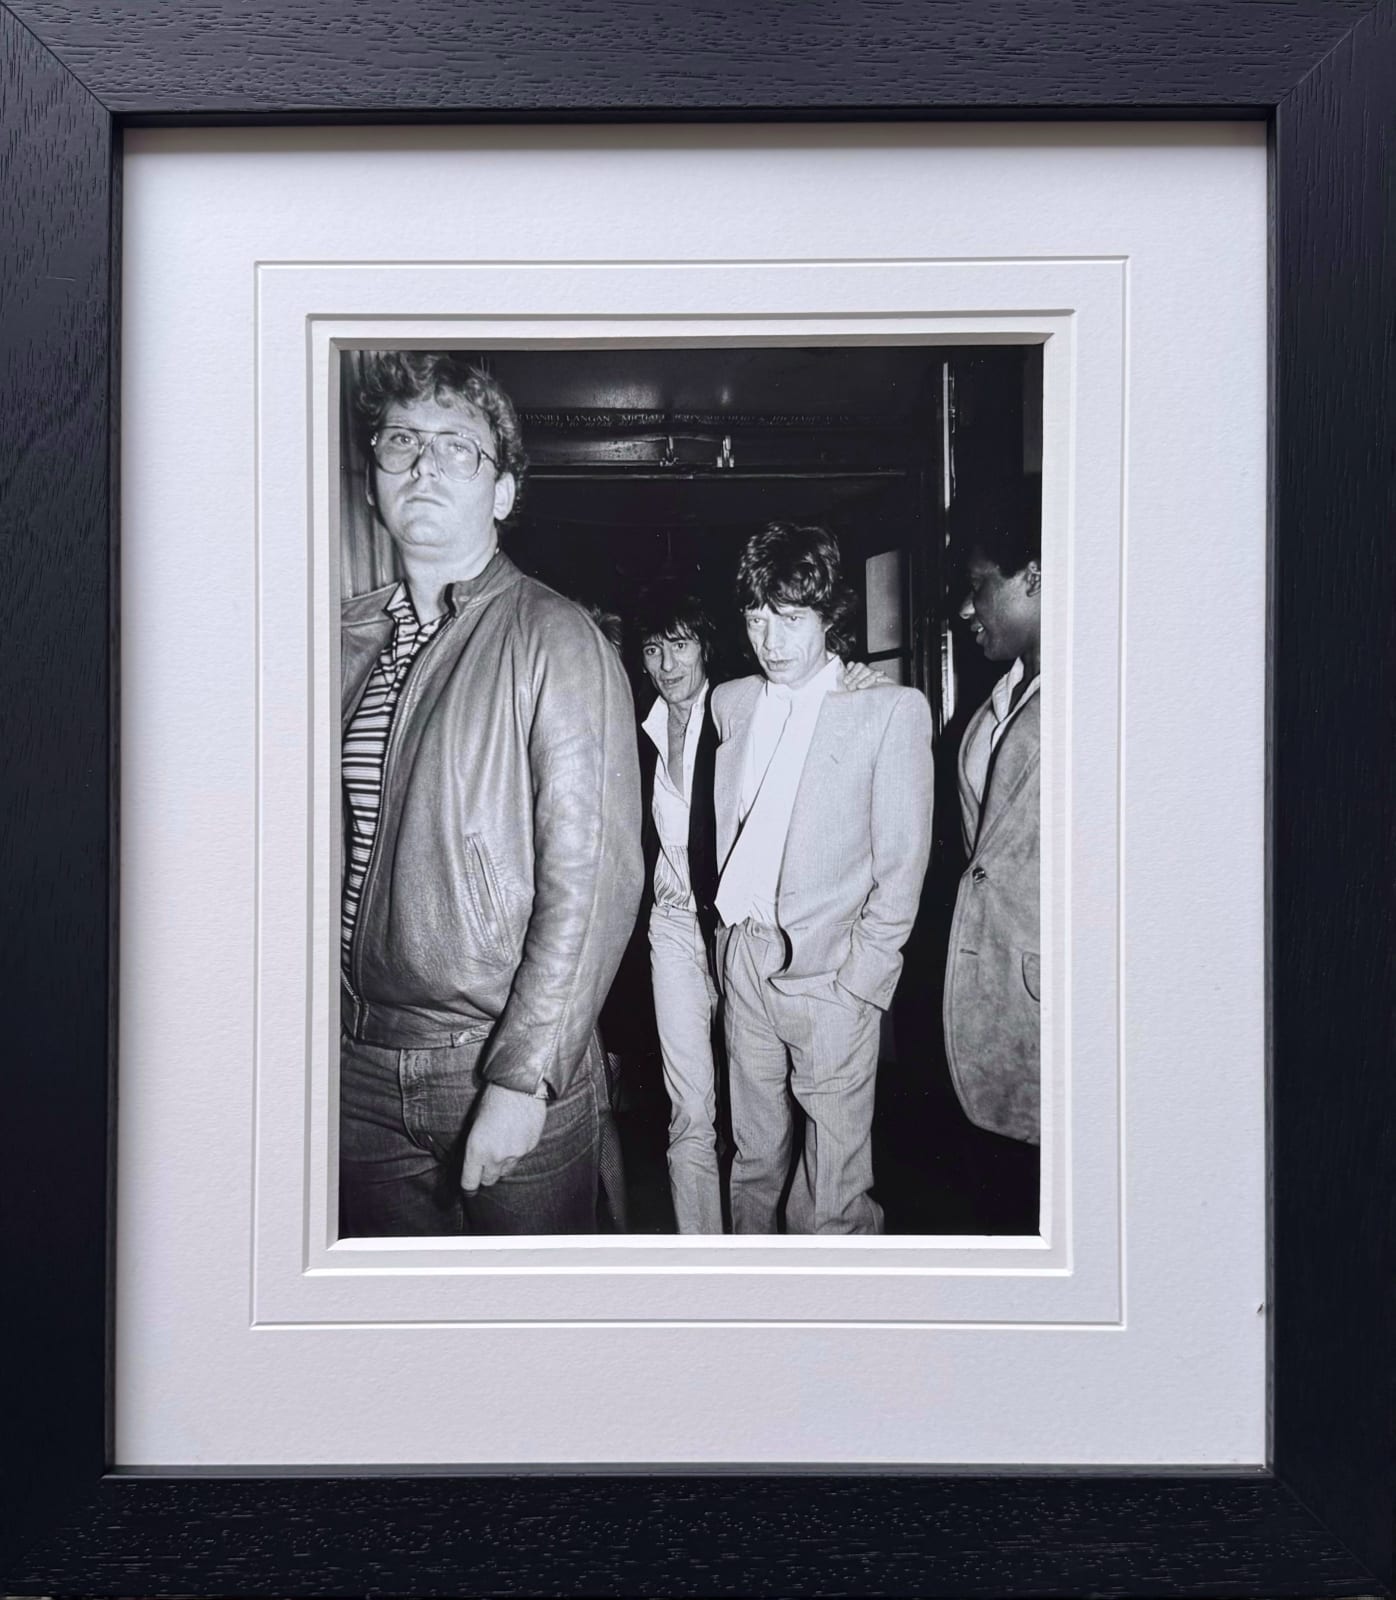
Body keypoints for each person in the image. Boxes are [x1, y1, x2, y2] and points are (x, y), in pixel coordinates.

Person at [338, 353, 642, 1237]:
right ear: (374, 481)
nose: (424, 464)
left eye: (457, 448)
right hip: (357, 1061)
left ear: (503, 492)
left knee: (535, 1338)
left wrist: (523, 1075)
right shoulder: (338, 643)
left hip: (493, 1056)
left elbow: (590, 883)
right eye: (402, 442)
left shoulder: (555, 637)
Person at [711, 524, 935, 1234]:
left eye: (791, 618)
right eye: (757, 616)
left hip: (831, 972)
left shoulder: (888, 710)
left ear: (828, 616)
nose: (770, 639)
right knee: (752, 1164)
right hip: (743, 956)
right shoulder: (732, 702)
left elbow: (902, 872)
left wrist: (859, 982)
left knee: (832, 1196)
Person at [943, 512, 1042, 1174]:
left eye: (979, 583)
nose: (964, 606)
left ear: (1035, 575)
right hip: (994, 995)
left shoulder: (1108, 694)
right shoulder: (1000, 698)